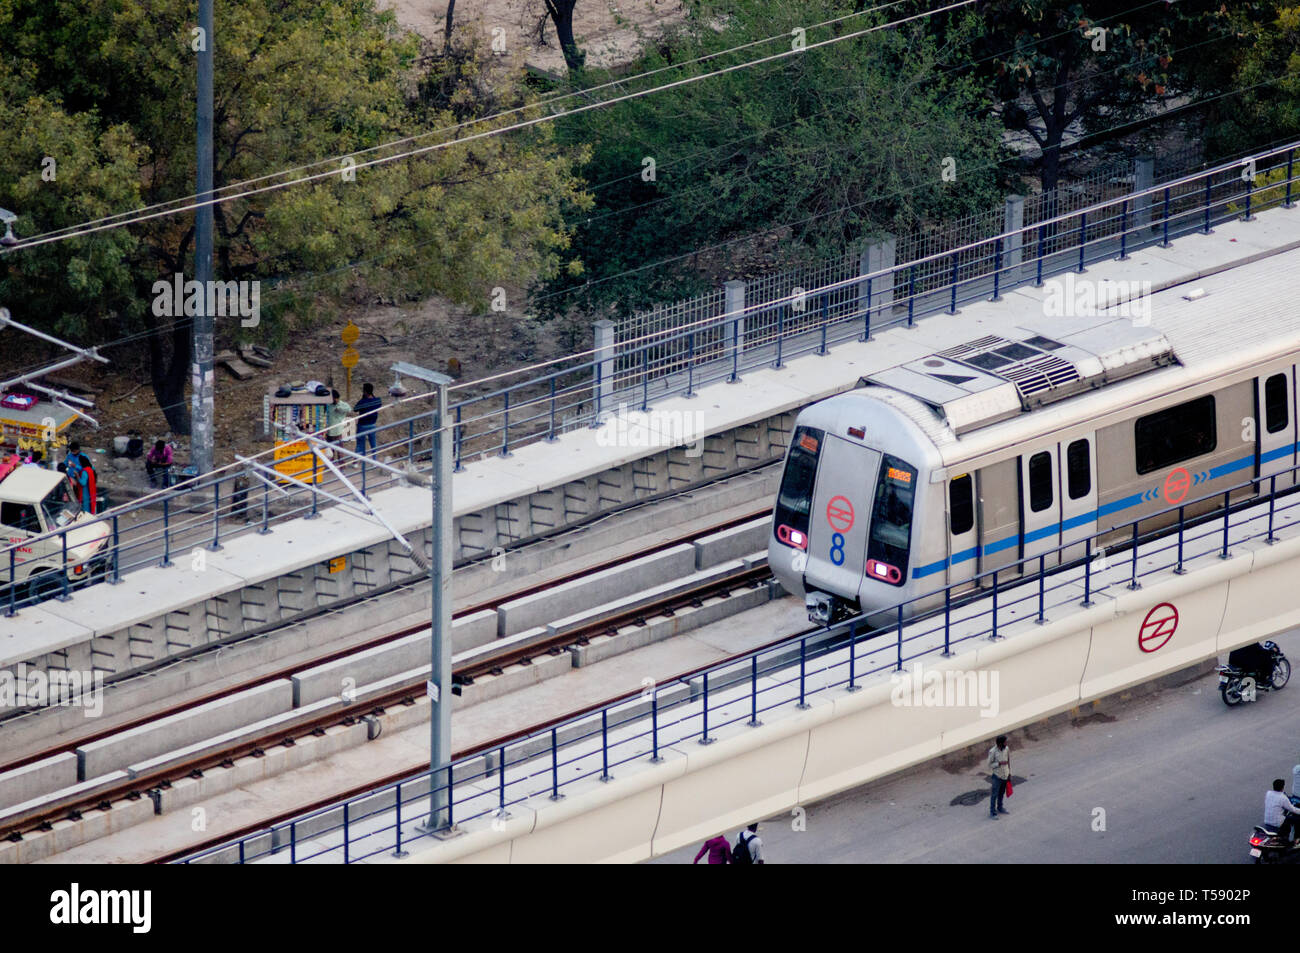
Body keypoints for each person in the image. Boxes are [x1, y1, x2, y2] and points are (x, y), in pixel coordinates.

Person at [1265, 778, 1300, 843]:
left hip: (1267, 821)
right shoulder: (1283, 798)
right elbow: (1293, 809)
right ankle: (1296, 839)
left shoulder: (1268, 793)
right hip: (1278, 823)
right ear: (1283, 787)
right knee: (1297, 819)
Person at [354, 382, 382, 456]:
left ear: (365, 392)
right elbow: (379, 404)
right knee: (373, 443)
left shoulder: (363, 402)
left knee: (360, 444)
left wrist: (363, 399)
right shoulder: (377, 400)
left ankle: (356, 462)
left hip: (362, 425)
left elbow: (355, 409)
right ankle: (375, 460)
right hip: (372, 425)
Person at [988, 735, 1011, 818]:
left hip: (1005, 775)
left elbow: (1008, 760)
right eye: (1005, 741)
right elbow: (989, 765)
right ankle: (992, 812)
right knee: (994, 794)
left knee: (1001, 793)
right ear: (1000, 743)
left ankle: (1000, 807)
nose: (1006, 743)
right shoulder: (993, 751)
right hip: (997, 777)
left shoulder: (1007, 749)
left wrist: (1009, 773)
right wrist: (999, 763)